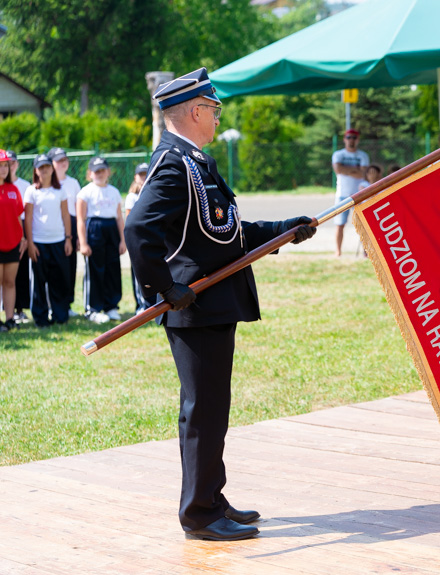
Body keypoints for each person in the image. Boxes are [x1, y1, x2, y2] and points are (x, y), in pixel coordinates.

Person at [124, 68, 317, 541]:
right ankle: (199, 514)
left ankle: (211, 495)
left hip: (213, 304)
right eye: (212, 109)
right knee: (202, 409)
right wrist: (165, 289)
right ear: (194, 111)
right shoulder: (173, 163)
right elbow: (137, 230)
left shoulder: (195, 162)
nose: (216, 117)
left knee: (213, 407)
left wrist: (281, 230)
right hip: (194, 307)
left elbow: (225, 235)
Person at [23, 154, 73, 328]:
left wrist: (68, 239)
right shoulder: (31, 191)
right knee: (38, 282)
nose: (45, 170)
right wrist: (30, 243)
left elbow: (65, 215)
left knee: (59, 280)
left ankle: (60, 315)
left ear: (52, 169)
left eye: (47, 167)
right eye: (41, 167)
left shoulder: (60, 191)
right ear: (36, 171)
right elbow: (28, 218)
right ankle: (41, 318)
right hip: (38, 243)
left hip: (58, 241)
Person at [77, 157, 125, 323]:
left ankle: (111, 306)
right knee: (95, 269)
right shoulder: (85, 192)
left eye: (102, 170)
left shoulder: (114, 192)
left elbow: (119, 217)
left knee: (112, 268)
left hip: (111, 230)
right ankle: (93, 308)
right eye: (96, 171)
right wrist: (83, 242)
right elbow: (81, 219)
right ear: (90, 174)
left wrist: (122, 240)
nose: (99, 174)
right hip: (94, 230)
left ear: (108, 172)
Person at [48, 147, 81, 317]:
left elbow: (77, 209)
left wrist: (76, 236)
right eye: (58, 160)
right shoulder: (43, 183)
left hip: (71, 225)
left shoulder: (73, 183)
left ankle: (67, 304)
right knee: (51, 268)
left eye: (64, 160)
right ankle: (50, 304)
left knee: (69, 267)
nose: (62, 163)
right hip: (51, 227)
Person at [332, 129, 369, 257]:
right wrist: (355, 170)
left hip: (359, 194)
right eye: (349, 137)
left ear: (357, 140)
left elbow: (363, 173)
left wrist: (346, 170)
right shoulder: (338, 154)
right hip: (342, 194)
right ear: (344, 139)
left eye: (354, 137)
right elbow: (337, 169)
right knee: (340, 224)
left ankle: (365, 251)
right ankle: (338, 251)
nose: (351, 140)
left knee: (363, 224)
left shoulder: (363, 155)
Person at [0, 150, 25, 332]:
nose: (3, 169)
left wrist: (22, 237)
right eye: (0, 166)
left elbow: (17, 216)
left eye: (5, 166)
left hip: (12, 243)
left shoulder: (13, 189)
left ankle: (9, 319)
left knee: (10, 282)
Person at [8, 151, 32, 324]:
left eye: (11, 162)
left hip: (17, 232)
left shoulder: (21, 186)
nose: (9, 166)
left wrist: (24, 237)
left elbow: (22, 213)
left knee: (18, 275)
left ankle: (17, 312)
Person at [126, 163, 149, 313]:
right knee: (139, 273)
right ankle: (142, 305)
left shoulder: (152, 192)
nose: (143, 177)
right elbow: (129, 220)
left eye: (146, 173)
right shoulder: (132, 197)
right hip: (139, 239)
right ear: (135, 177)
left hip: (152, 238)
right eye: (140, 174)